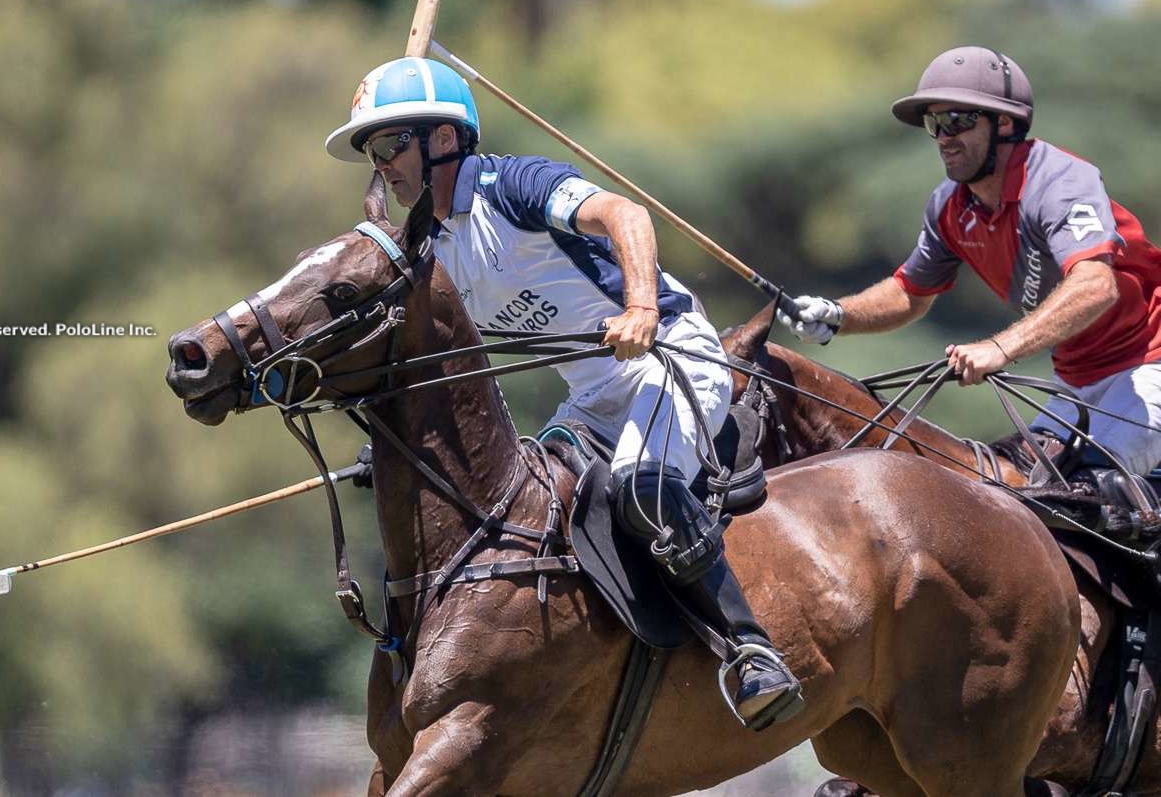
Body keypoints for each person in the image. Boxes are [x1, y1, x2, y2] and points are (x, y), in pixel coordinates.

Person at [325, 56, 804, 728]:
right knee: (533, 508)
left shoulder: (514, 184)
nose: (383, 166)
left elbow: (625, 214)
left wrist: (640, 306)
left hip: (671, 354)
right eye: (372, 153)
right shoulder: (429, 246)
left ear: (442, 139)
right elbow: (434, 370)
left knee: (643, 480)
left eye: (390, 144)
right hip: (592, 395)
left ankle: (750, 650)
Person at [778, 45, 1161, 712]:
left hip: (1155, 365)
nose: (945, 138)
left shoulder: (1060, 182)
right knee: (1003, 490)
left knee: (1095, 493)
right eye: (936, 123)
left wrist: (1002, 346)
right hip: (1075, 384)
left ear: (1006, 126)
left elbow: (1097, 284)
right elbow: (911, 292)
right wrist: (836, 315)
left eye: (959, 120)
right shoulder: (951, 207)